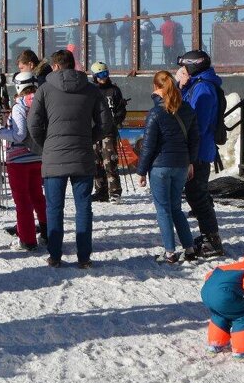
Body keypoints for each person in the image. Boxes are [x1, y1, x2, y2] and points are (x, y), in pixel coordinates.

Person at [28, 49, 110, 268]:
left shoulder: (44, 89)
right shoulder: (92, 90)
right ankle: (84, 257)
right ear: (73, 65)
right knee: (83, 208)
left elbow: (33, 124)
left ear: (55, 66)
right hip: (82, 156)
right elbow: (105, 124)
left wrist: (47, 145)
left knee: (54, 208)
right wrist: (88, 139)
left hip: (54, 157)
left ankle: (55, 256)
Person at [136, 70, 199, 264]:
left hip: (160, 167)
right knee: (176, 208)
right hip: (181, 165)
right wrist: (190, 162)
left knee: (163, 210)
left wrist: (141, 171)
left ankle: (170, 252)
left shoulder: (155, 113)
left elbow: (148, 146)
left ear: (156, 87)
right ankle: (189, 248)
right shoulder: (187, 109)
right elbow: (195, 139)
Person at [175, 50, 225, 258]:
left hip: (199, 151)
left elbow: (196, 122)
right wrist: (181, 87)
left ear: (193, 66)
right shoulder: (197, 85)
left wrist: (189, 154)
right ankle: (208, 236)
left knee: (198, 196)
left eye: (184, 67)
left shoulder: (203, 88)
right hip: (198, 149)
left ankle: (212, 240)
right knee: (196, 195)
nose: (180, 71)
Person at [0, 70, 47, 251]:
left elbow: (18, 134)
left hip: (18, 160)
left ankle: (27, 239)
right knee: (37, 197)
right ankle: (47, 232)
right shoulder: (42, 102)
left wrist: (0, 132)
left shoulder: (20, 106)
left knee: (23, 201)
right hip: (38, 156)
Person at [89, 62, 126, 203]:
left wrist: (115, 120)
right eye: (100, 75)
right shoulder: (91, 91)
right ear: (94, 76)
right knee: (96, 162)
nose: (103, 77)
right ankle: (101, 190)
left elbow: (121, 109)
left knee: (109, 161)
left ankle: (115, 191)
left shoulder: (114, 90)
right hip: (94, 131)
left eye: (105, 74)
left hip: (108, 132)